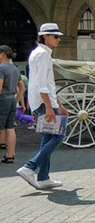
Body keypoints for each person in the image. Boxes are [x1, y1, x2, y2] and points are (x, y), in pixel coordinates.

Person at [17, 22, 69, 190]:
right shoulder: (43, 54)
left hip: (42, 100)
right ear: (45, 36)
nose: (58, 40)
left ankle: (44, 176)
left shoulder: (38, 53)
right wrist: (49, 106)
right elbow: (42, 84)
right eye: (55, 36)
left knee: (47, 138)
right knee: (58, 137)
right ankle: (30, 167)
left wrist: (57, 104)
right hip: (43, 101)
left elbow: (47, 83)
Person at [0, 45, 26, 164]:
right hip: (11, 99)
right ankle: (10, 154)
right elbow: (22, 87)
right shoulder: (15, 68)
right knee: (10, 127)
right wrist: (16, 100)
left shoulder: (1, 68)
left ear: (2, 54)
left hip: (2, 99)